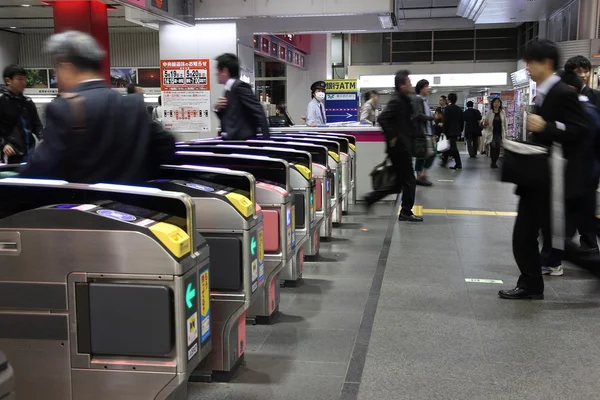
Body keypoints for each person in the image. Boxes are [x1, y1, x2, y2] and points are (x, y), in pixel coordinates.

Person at [19, 31, 175, 183]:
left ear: (67, 67)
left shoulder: (63, 108)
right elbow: (166, 145)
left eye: (56, 69)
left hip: (80, 206)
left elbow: (42, 165)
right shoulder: (134, 105)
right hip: (136, 205)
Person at [499, 40, 587, 300]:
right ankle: (531, 284)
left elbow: (581, 130)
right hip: (538, 178)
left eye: (531, 62)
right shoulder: (545, 92)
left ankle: (532, 284)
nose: (527, 67)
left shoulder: (562, 92)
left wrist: (546, 126)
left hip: (552, 179)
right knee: (531, 237)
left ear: (547, 63)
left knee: (552, 241)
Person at [363, 70, 422, 223]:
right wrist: (393, 137)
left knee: (398, 184)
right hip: (399, 149)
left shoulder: (403, 99)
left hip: (401, 147)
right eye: (409, 82)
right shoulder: (397, 100)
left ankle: (370, 198)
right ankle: (406, 212)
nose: (411, 85)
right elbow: (383, 119)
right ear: (402, 85)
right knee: (409, 180)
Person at [214, 53, 270, 140]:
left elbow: (259, 111)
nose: (216, 74)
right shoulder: (229, 89)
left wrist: (266, 141)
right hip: (232, 142)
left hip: (242, 143)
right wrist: (218, 108)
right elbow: (229, 118)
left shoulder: (240, 87)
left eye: (217, 70)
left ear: (224, 71)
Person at [0, 64, 43, 164]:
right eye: (19, 79)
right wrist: (3, 144)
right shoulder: (2, 102)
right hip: (11, 154)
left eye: (24, 79)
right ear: (8, 80)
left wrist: (42, 137)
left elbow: (37, 124)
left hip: (30, 153)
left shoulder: (27, 102)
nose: (23, 83)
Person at [413, 79, 436, 186]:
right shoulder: (418, 100)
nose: (428, 88)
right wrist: (431, 118)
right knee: (427, 154)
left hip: (428, 132)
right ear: (421, 88)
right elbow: (417, 115)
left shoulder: (424, 101)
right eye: (426, 86)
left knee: (424, 154)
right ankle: (421, 175)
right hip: (422, 132)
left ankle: (421, 175)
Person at [440, 93, 464, 170]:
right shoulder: (459, 109)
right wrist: (460, 130)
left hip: (449, 131)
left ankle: (458, 164)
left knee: (453, 147)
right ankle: (444, 161)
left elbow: (446, 121)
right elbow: (461, 121)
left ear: (448, 99)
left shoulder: (447, 108)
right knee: (449, 146)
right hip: (456, 131)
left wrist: (443, 131)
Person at [482, 98, 507, 169]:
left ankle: (495, 161)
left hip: (499, 133)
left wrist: (506, 133)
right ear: (492, 103)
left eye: (498, 102)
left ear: (500, 104)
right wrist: (485, 124)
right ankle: (493, 162)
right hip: (491, 133)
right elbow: (485, 122)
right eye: (495, 102)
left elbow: (505, 123)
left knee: (498, 148)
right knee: (493, 147)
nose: (497, 104)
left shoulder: (502, 112)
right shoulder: (489, 112)